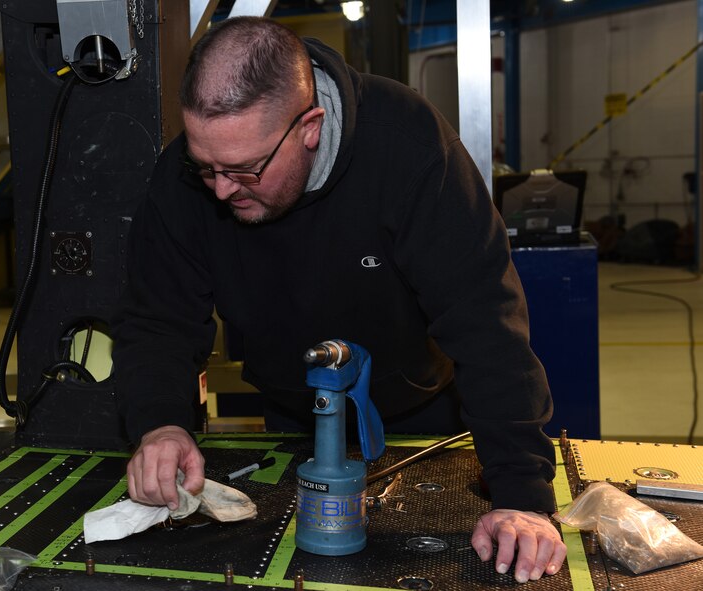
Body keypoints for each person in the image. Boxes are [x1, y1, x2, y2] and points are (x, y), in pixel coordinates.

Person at [111, 16, 567, 583]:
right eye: (207, 167)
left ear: (310, 126)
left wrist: (522, 493)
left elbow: (484, 322)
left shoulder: (409, 145)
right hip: (291, 411)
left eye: (245, 169)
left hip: (420, 410)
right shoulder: (184, 178)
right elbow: (158, 321)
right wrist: (160, 424)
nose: (223, 188)